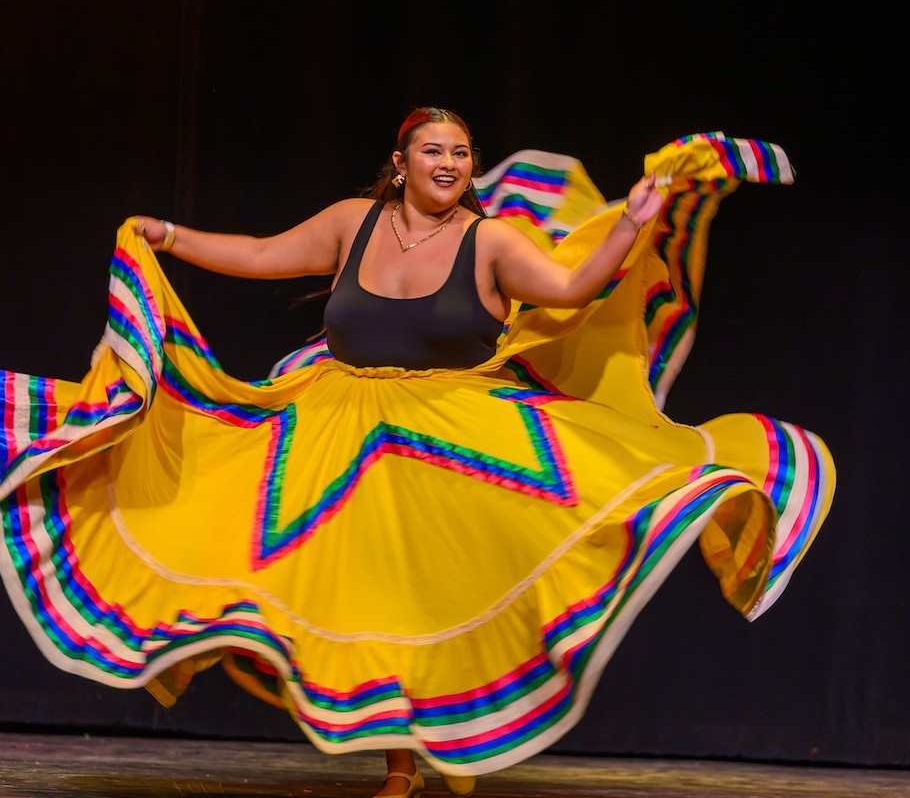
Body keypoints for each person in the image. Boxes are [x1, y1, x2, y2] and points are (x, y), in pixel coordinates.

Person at [1, 107, 835, 798]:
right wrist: (168, 235)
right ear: (400, 164)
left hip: (448, 433)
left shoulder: (491, 240)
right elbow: (259, 254)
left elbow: (571, 289)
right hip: (335, 425)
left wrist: (630, 221)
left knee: (431, 596)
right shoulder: (351, 223)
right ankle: (396, 757)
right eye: (433, 151)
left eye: (461, 153)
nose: (449, 163)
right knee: (335, 588)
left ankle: (432, 747)